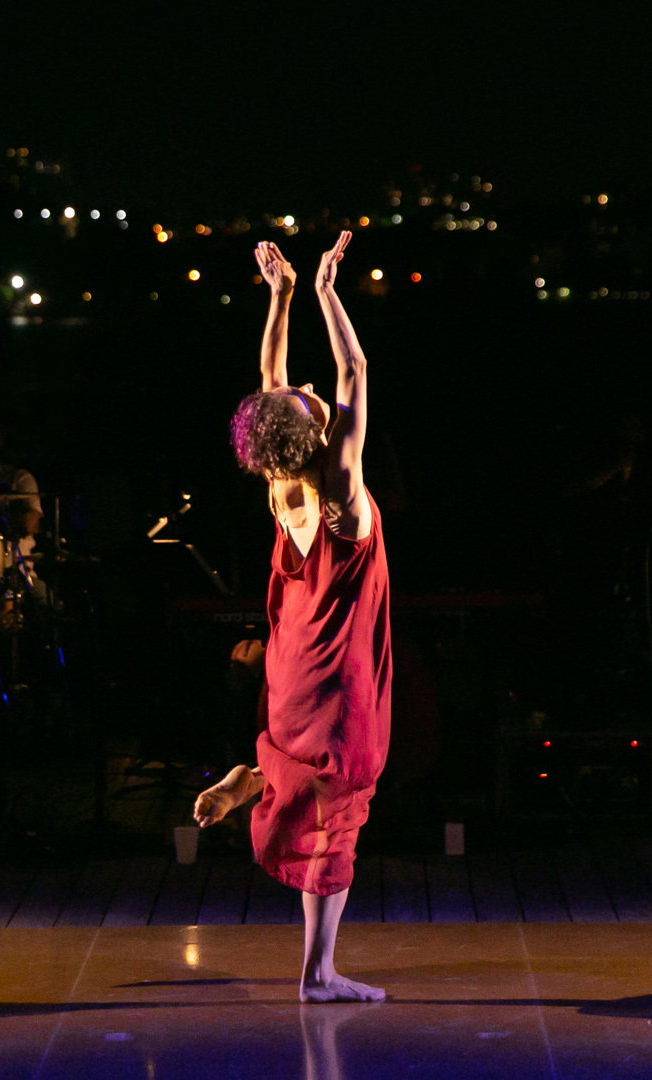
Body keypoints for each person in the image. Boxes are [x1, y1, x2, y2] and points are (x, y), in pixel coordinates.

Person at [193, 233, 390, 1004]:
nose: (305, 385)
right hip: (337, 676)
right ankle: (320, 972)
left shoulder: (281, 486)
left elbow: (273, 385)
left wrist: (276, 298)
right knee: (338, 809)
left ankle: (257, 781)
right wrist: (325, 290)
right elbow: (356, 370)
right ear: (315, 435)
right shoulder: (340, 493)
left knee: (309, 780)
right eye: (311, 402)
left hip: (290, 666)